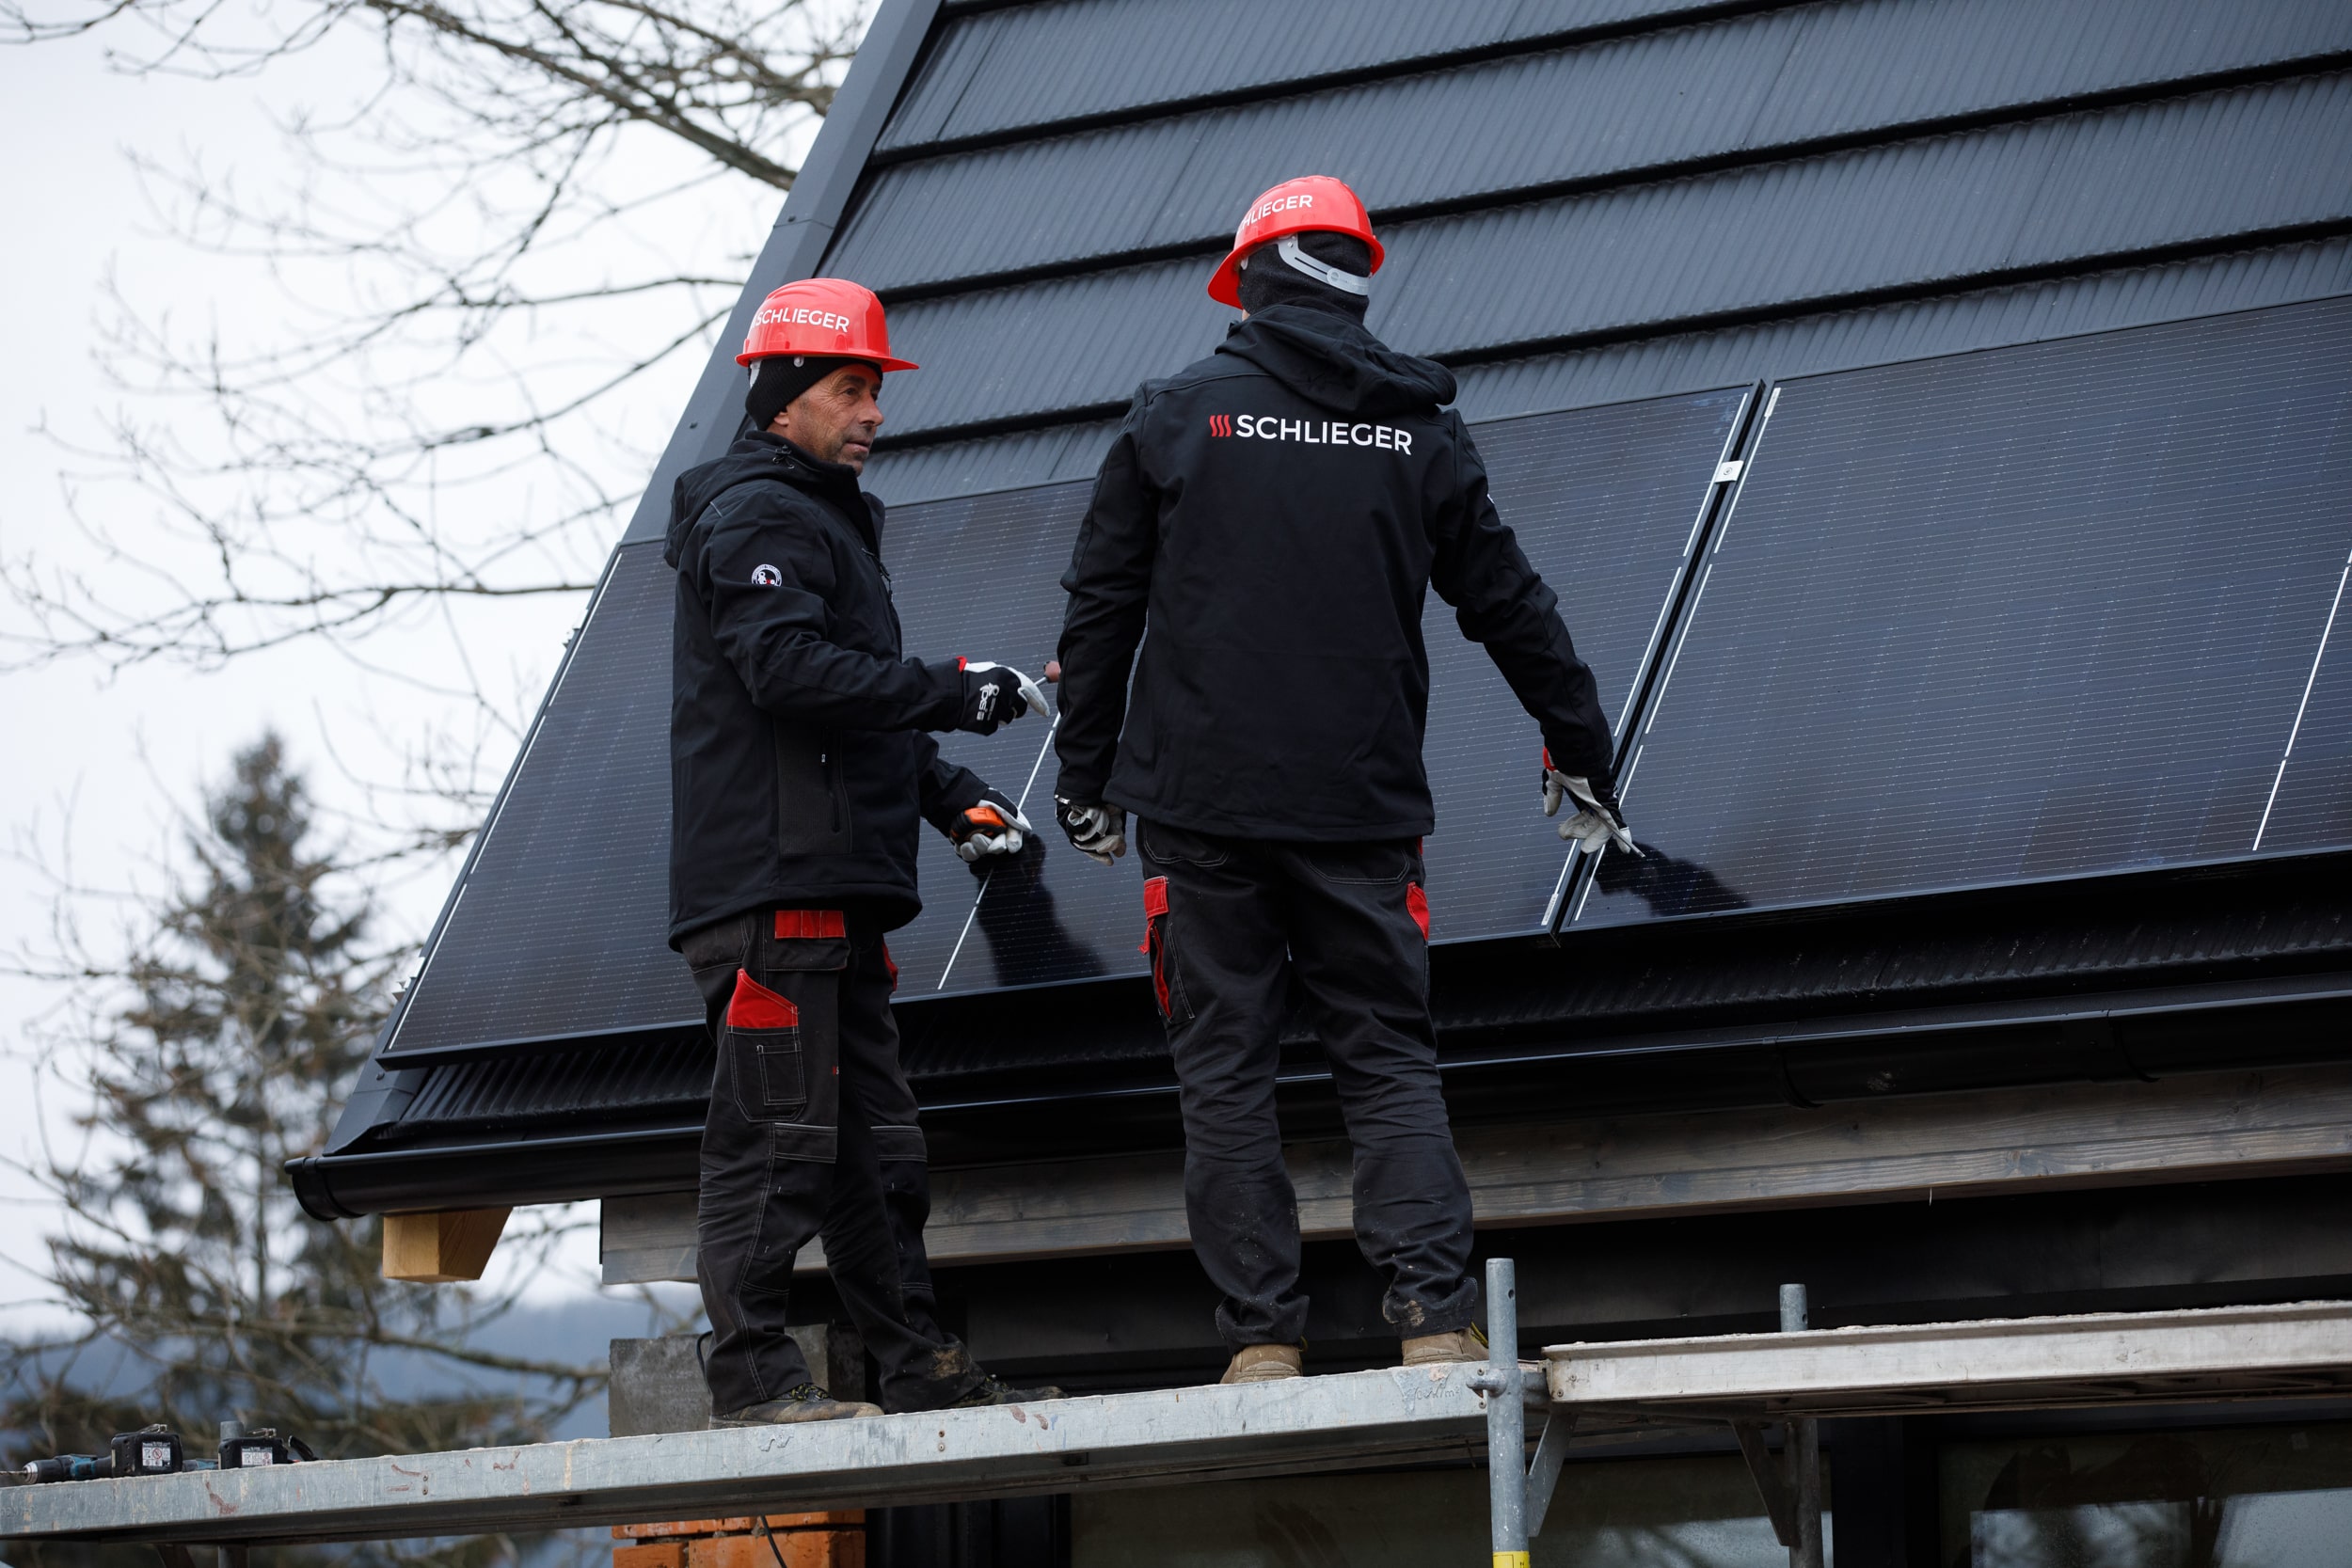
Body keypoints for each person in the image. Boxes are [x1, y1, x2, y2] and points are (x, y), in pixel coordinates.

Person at [1051, 177, 1636, 1385]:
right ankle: (1431, 1319)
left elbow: (1101, 607)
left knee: (1224, 1068)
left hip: (1202, 812)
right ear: (1356, 280)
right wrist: (1582, 744)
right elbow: (1511, 605)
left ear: (1252, 283)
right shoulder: (1417, 428)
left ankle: (1263, 1340)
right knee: (1385, 1056)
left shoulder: (1176, 415)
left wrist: (1084, 773)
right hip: (1360, 811)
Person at [666, 277, 1057, 1424]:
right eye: (850, 387)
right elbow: (785, 672)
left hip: (835, 891)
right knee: (774, 1143)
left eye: (876, 389)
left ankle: (918, 1369)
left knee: (878, 1161)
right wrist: (948, 691)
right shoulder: (755, 516)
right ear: (784, 396)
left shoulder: (822, 517)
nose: (874, 410)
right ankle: (753, 1383)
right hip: (774, 888)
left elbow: (846, 709)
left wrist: (950, 799)